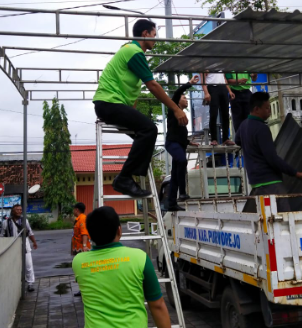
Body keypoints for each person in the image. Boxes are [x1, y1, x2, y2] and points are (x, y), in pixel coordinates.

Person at [93, 19, 188, 198]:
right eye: (154, 35)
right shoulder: (133, 51)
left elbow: (132, 94)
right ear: (145, 33)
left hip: (110, 105)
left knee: (144, 136)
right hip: (109, 104)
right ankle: (124, 178)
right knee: (149, 129)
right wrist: (176, 109)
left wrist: (133, 113)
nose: (155, 39)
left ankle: (130, 176)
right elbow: (153, 85)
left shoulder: (131, 52)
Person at [73, 206, 178, 328]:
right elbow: (157, 305)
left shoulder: (79, 263)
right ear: (119, 231)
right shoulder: (139, 258)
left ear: (91, 235)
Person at [235, 92, 302, 212]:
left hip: (256, 184)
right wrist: (297, 174)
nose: (269, 110)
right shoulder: (262, 128)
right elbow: (272, 159)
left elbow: (237, 140)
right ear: (257, 109)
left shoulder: (243, 126)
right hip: (271, 183)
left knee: (268, 220)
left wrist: (251, 148)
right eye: (267, 108)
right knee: (283, 220)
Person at [164, 75, 200, 211]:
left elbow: (180, 135)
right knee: (182, 161)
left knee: (175, 175)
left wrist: (190, 142)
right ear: (177, 102)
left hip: (179, 145)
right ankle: (183, 192)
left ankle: (172, 203)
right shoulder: (173, 110)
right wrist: (189, 83)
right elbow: (177, 93)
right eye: (184, 98)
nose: (186, 100)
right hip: (172, 144)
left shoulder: (182, 118)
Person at [0, 204, 38, 292]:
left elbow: (30, 232)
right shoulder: (6, 222)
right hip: (12, 248)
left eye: (20, 210)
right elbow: (2, 235)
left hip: (25, 247)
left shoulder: (25, 221)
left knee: (28, 265)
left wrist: (34, 242)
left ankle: (30, 283)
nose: (19, 211)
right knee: (13, 266)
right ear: (13, 211)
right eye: (17, 210)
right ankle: (15, 283)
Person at [201, 72, 235, 145]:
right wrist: (206, 93)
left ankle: (226, 138)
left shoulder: (220, 63)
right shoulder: (205, 63)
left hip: (222, 87)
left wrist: (229, 91)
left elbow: (224, 78)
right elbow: (203, 80)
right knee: (213, 113)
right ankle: (214, 139)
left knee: (225, 114)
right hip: (212, 87)